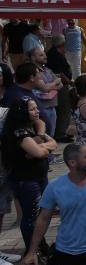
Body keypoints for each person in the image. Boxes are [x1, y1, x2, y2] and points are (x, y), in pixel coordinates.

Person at [2, 96, 56, 253]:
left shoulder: (30, 127)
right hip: (26, 181)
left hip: (39, 177)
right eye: (32, 109)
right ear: (22, 113)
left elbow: (51, 143)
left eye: (36, 108)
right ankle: (33, 251)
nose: (37, 111)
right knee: (31, 216)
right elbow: (39, 152)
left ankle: (41, 245)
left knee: (42, 214)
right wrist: (44, 149)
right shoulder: (19, 132)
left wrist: (42, 142)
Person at [47, 35, 74, 143]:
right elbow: (60, 73)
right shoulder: (56, 55)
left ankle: (60, 131)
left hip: (58, 84)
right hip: (60, 86)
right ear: (62, 44)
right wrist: (69, 81)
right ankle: (60, 133)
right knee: (64, 109)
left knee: (61, 109)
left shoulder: (53, 53)